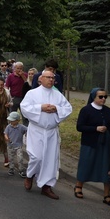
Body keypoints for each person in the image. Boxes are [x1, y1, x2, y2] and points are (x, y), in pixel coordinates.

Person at [20, 69, 73, 199]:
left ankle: (46, 186)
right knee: (36, 157)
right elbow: (24, 108)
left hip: (51, 131)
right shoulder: (32, 93)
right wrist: (40, 108)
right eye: (48, 77)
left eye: (52, 78)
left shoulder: (58, 95)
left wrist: (56, 109)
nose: (51, 80)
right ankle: (30, 175)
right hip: (37, 130)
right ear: (40, 79)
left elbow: (68, 108)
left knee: (50, 160)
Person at [75, 88, 110, 204]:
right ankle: (78, 186)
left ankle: (107, 195)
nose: (103, 99)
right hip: (90, 142)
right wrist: (95, 128)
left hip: (106, 143)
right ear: (94, 97)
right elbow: (80, 127)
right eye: (101, 97)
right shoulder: (86, 110)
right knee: (86, 164)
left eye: (105, 97)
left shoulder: (108, 110)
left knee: (106, 167)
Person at [4, 112, 28, 177]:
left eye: (13, 120)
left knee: (20, 158)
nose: (11, 122)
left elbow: (27, 130)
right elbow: (5, 133)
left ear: (18, 120)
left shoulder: (21, 127)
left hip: (18, 145)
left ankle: (21, 169)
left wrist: (26, 134)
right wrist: (6, 138)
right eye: (10, 120)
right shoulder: (8, 127)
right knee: (11, 158)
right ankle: (11, 168)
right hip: (10, 145)